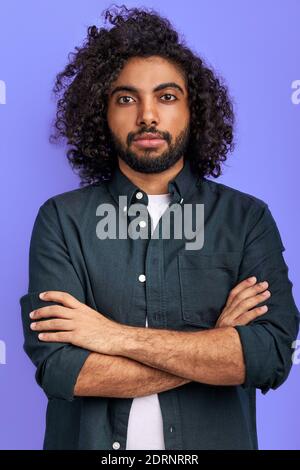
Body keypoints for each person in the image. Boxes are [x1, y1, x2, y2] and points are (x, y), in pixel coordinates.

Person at [20, 5, 299, 450]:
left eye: (167, 97)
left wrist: (110, 336)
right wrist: (215, 347)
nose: (147, 115)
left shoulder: (246, 219)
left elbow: (267, 359)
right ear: (102, 113)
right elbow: (62, 370)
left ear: (193, 109)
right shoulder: (62, 219)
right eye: (126, 99)